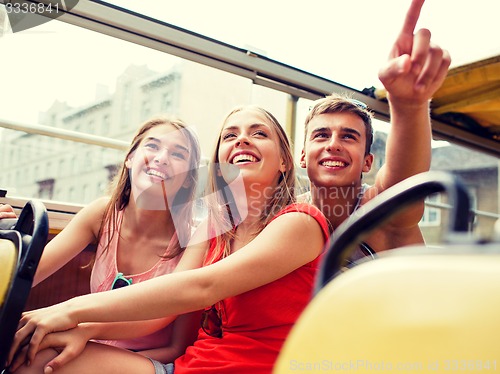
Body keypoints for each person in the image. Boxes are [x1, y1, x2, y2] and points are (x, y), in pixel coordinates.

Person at [8, 105, 329, 374]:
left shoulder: (300, 221)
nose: (242, 139)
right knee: (31, 357)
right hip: (192, 365)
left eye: (258, 133)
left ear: (285, 161)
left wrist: (74, 313)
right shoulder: (217, 233)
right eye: (230, 136)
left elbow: (201, 288)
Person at [11, 116, 203, 365]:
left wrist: (86, 340)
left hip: (148, 361)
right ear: (130, 158)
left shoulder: (194, 239)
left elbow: (177, 346)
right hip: (88, 346)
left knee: (37, 358)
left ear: (188, 177)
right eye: (152, 146)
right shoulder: (102, 214)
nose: (162, 157)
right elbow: (26, 275)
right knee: (23, 347)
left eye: (178, 155)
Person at [299, 0, 451, 254]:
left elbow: (404, 182)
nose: (333, 144)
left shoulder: (380, 209)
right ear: (302, 156)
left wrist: (409, 106)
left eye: (348, 137)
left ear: (368, 162)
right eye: (321, 135)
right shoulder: (288, 215)